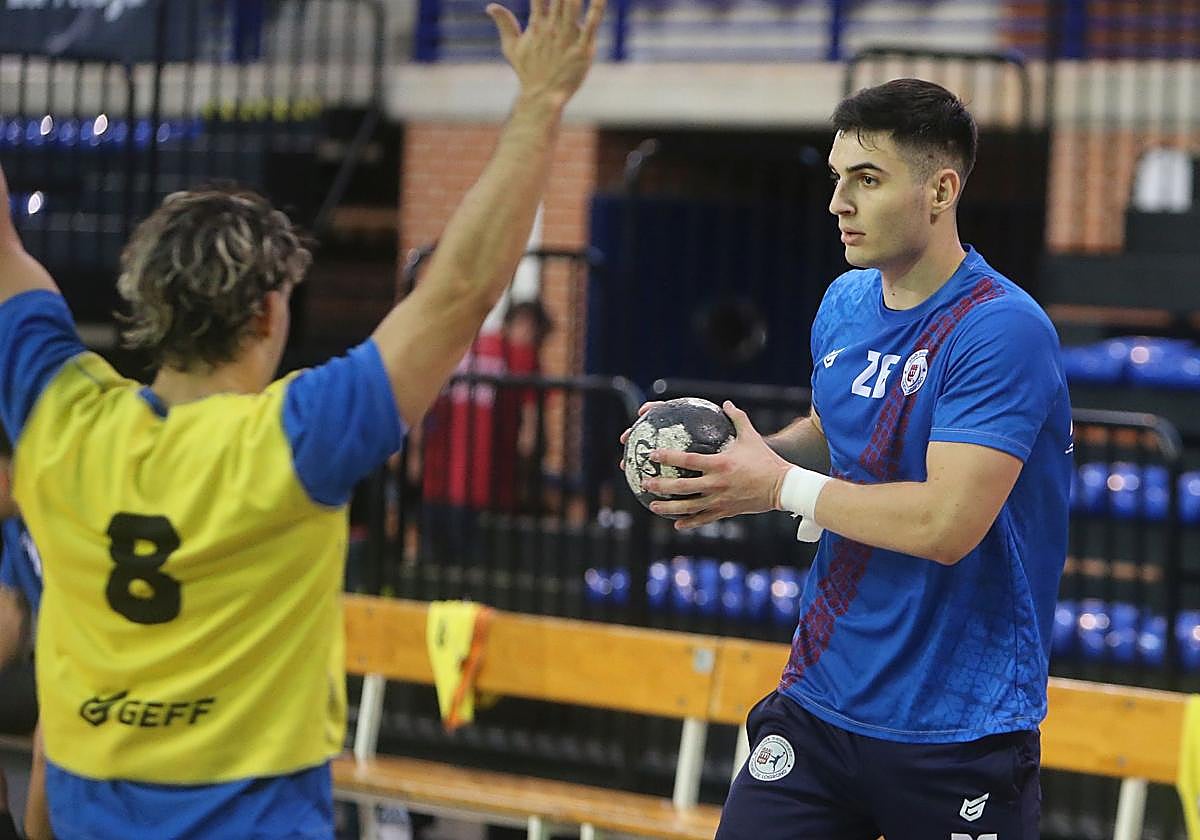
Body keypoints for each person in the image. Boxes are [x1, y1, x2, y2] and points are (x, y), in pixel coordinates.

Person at [0, 0, 605, 836]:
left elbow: (3, 248)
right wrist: (539, 102)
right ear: (263, 317)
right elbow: (461, 292)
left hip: (86, 813)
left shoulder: (58, 416)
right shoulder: (295, 438)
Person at [628, 79, 1070, 838]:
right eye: (836, 178)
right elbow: (837, 433)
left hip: (957, 726)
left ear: (940, 190)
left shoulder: (1001, 330)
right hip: (822, 700)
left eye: (866, 179)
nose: (838, 201)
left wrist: (779, 486)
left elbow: (945, 522)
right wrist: (741, 461)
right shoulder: (844, 303)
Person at [0, 426, 50, 840]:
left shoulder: (59, 515)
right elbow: (9, 612)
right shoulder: (13, 526)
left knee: (45, 750)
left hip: (96, 672)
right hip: (56, 668)